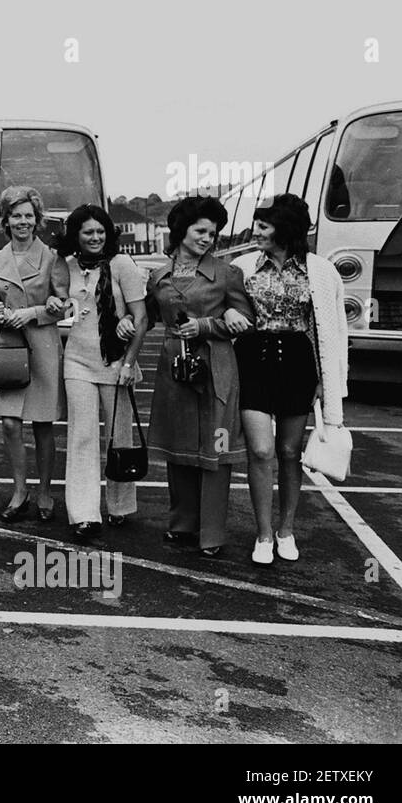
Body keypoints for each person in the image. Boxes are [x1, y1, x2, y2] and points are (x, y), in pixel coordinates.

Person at [226, 194, 349, 565]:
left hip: (298, 362)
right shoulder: (242, 266)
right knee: (261, 451)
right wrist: (231, 309)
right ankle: (263, 535)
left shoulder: (320, 270)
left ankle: (286, 530)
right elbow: (224, 303)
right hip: (253, 360)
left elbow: (333, 329)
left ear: (285, 228)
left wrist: (328, 382)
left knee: (289, 452)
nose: (256, 231)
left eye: (264, 225)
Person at [145, 196, 253, 557]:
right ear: (181, 231)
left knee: (215, 450)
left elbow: (244, 320)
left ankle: (212, 534)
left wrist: (206, 324)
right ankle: (182, 525)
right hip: (174, 367)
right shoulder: (158, 275)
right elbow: (146, 314)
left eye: (213, 232)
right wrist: (130, 321)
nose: (208, 238)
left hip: (215, 369)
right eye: (200, 230)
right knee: (179, 448)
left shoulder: (227, 273)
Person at [51, 205, 149, 542]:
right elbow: (62, 305)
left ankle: (120, 506)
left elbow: (142, 318)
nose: (95, 237)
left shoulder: (122, 265)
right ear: (76, 236)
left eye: (100, 231)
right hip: (77, 360)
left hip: (116, 361)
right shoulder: (66, 266)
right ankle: (84, 514)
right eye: (88, 232)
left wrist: (128, 363)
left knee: (119, 436)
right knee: (81, 436)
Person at [0, 186, 67, 522]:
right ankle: (20, 491)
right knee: (10, 423)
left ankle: (45, 492)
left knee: (43, 424)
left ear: (37, 219)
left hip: (43, 347)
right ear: (6, 220)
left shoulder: (51, 257)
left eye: (29, 215)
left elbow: (63, 306)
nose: (23, 221)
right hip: (9, 348)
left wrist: (31, 313)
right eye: (16, 215)